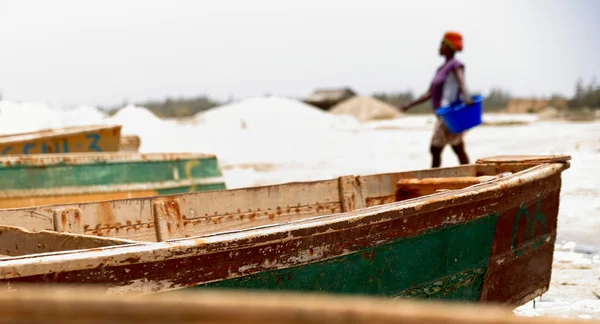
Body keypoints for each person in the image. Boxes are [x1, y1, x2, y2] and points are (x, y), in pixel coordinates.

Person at [400, 31, 473, 168]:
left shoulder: (456, 65)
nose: (439, 48)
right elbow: (430, 93)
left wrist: (467, 99)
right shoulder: (441, 69)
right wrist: (408, 105)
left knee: (435, 148)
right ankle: (470, 173)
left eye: (442, 45)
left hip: (450, 113)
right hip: (442, 115)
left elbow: (462, 82)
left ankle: (434, 179)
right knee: (457, 147)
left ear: (449, 47)